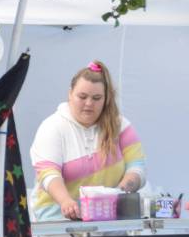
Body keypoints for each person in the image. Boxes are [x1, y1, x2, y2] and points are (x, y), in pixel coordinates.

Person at [29, 60, 145, 222]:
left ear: (106, 99)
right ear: (70, 94)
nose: (89, 104)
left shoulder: (122, 127)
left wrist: (119, 193)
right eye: (82, 97)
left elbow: (137, 168)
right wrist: (65, 201)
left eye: (97, 98)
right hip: (58, 222)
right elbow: (48, 174)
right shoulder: (51, 127)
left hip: (108, 223)